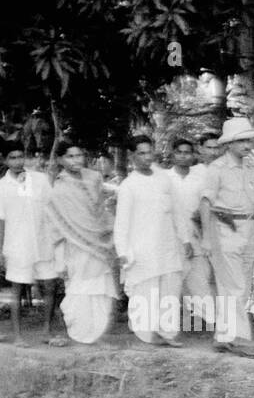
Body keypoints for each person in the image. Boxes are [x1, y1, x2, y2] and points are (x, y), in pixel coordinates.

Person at [114, 134, 192, 347]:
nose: (148, 157)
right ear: (132, 156)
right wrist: (122, 251)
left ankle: (167, 334)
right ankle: (146, 335)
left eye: (150, 152)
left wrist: (185, 239)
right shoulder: (129, 185)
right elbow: (121, 223)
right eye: (142, 153)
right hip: (142, 248)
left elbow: (177, 211)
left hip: (167, 244)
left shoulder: (163, 179)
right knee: (145, 291)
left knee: (170, 289)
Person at [199, 117, 254, 356]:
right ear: (229, 143)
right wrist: (207, 237)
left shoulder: (249, 168)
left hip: (248, 227)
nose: (247, 145)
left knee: (242, 286)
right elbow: (205, 203)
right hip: (225, 230)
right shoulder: (216, 169)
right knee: (233, 285)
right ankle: (240, 338)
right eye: (241, 141)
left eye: (248, 140)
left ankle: (224, 335)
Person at [47, 142, 118, 346]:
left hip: (100, 242)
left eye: (79, 155)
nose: (76, 160)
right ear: (60, 160)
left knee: (101, 288)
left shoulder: (94, 177)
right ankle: (80, 333)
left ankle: (96, 334)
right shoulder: (59, 187)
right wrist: (59, 257)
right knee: (80, 287)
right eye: (70, 156)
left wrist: (107, 228)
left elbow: (100, 209)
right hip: (76, 245)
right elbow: (57, 224)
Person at [0, 138, 58, 345]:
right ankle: (18, 336)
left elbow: (52, 209)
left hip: (43, 242)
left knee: (50, 285)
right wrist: (1, 251)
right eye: (12, 158)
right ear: (5, 160)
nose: (17, 161)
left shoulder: (40, 180)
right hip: (17, 245)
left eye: (20, 156)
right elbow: (1, 221)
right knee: (16, 289)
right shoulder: (2, 186)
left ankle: (47, 333)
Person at [167, 137, 214, 335]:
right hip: (170, 238)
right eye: (180, 152)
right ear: (172, 154)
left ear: (193, 155)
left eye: (188, 152)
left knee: (199, 281)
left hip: (195, 235)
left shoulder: (200, 178)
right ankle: (181, 326)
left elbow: (207, 206)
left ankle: (214, 323)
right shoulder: (165, 177)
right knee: (173, 284)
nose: (184, 156)